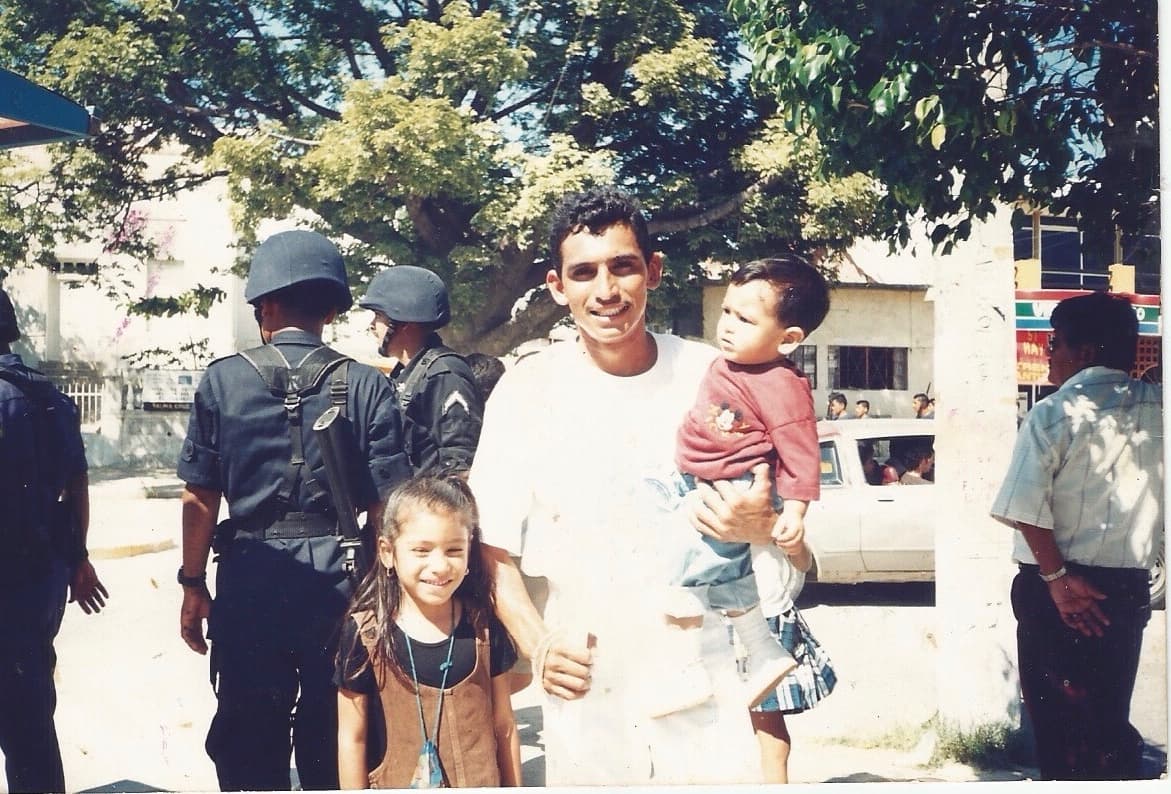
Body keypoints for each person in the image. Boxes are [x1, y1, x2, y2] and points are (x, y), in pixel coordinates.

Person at [469, 186, 787, 785]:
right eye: (584, 272)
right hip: (589, 669)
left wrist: (766, 528)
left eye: (623, 266)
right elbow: (496, 556)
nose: (606, 291)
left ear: (654, 271)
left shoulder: (715, 378)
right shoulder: (527, 390)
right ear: (556, 286)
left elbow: (787, 533)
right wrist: (538, 645)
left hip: (704, 661)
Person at [177, 229, 413, 791]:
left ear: (267, 305)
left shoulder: (222, 380)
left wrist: (191, 584)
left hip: (251, 575)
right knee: (338, 728)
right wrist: (387, 594)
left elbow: (200, 497)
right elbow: (388, 508)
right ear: (332, 309)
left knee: (249, 733)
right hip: (341, 576)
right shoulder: (367, 385)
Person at [990, 291, 1163, 781]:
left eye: (1054, 343)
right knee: (1108, 723)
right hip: (1125, 588)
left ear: (1085, 352)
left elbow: (1025, 507)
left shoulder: (1055, 412)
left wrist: (1058, 579)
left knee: (1060, 733)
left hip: (1053, 588)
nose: (1048, 354)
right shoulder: (1158, 408)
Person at [647, 256, 830, 719]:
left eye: (745, 320)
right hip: (697, 477)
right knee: (723, 574)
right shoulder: (727, 361)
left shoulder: (780, 384)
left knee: (684, 567)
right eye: (727, 311)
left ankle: (689, 672)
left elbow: (801, 450)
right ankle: (763, 651)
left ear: (788, 339)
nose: (727, 326)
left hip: (734, 486)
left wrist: (794, 513)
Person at [336, 476, 520, 788]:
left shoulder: (484, 628)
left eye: (453, 550)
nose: (439, 566)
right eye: (422, 550)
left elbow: (504, 726)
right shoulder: (366, 635)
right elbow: (352, 738)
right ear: (386, 552)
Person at [0, 286, 108, 794]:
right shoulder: (49, 397)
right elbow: (77, 483)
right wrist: (79, 557)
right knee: (30, 723)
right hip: (36, 583)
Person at [359, 266, 483, 476]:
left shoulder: (445, 375)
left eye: (378, 315)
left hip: (430, 506)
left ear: (404, 322)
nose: (372, 325)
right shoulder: (408, 374)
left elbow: (459, 465)